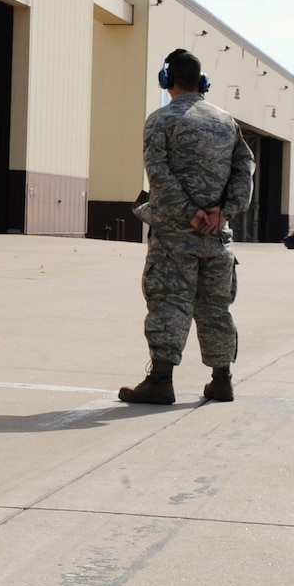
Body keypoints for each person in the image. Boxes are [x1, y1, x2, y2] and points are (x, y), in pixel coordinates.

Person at [118, 49, 255, 406]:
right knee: (216, 306)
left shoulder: (161, 120)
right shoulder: (227, 122)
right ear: (202, 82)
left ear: (167, 80)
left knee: (168, 302)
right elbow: (245, 167)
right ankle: (221, 380)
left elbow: (158, 174)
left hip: (174, 237)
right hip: (217, 238)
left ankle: (161, 380)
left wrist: (188, 213)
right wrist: (223, 212)